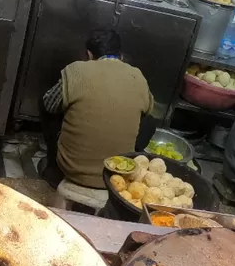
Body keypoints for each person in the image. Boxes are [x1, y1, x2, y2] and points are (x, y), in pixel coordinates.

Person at [38, 29, 154, 189]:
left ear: (89, 55)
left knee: (47, 102)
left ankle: (53, 169)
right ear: (120, 55)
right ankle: (127, 161)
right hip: (115, 173)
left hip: (72, 170)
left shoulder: (76, 70)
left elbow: (49, 104)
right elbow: (149, 109)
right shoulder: (137, 76)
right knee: (149, 122)